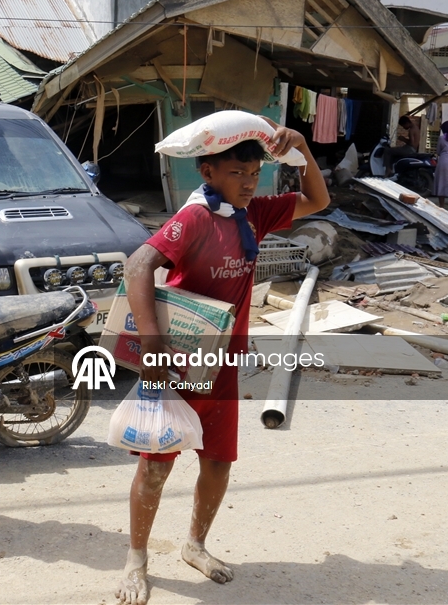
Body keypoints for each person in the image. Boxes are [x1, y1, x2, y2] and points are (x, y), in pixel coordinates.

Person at [115, 116, 329, 605]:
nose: (249, 183)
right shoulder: (193, 218)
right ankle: (136, 560)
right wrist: (151, 345)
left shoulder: (252, 213)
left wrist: (302, 153)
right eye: (238, 173)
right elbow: (138, 265)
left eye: (255, 174)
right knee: (155, 468)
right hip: (178, 369)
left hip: (223, 369)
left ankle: (195, 544)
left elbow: (317, 201)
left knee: (217, 463)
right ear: (207, 172)